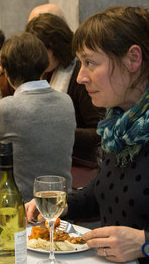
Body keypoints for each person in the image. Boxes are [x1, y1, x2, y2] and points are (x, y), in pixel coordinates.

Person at [25, 6, 149, 264]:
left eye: (90, 63)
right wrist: (60, 206)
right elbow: (106, 192)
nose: (80, 77)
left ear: (133, 59)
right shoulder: (118, 125)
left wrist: (147, 242)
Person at [0, 32, 76, 201]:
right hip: (60, 204)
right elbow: (38, 146)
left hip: (22, 207)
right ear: (44, 65)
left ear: (7, 73)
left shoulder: (8, 107)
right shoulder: (66, 101)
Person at [25, 13, 105, 167]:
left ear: (56, 47)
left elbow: (98, 132)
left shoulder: (79, 76)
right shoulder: (48, 71)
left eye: (41, 53)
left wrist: (55, 131)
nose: (37, 59)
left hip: (78, 165)